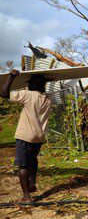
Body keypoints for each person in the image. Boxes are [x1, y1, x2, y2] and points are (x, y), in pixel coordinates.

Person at [1, 70, 52, 202]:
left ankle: (26, 197)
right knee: (32, 159)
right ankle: (32, 182)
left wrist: (11, 77)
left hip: (25, 136)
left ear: (32, 85)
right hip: (39, 137)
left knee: (23, 166)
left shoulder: (27, 95)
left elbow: (3, 93)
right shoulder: (47, 98)